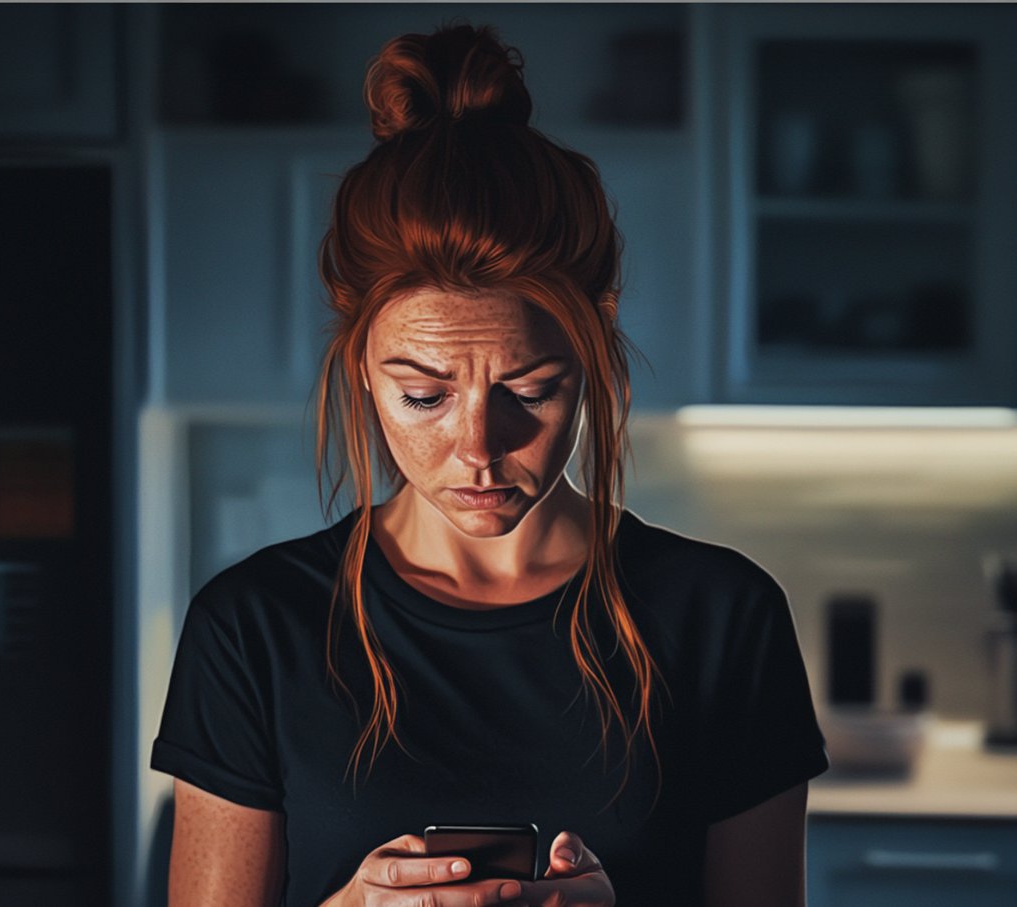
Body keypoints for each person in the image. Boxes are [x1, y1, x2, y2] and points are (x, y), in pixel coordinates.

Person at [151, 24, 829, 907]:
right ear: (360, 359)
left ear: (599, 334)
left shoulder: (723, 621)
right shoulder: (253, 629)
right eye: (424, 396)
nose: (477, 447)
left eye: (531, 390)